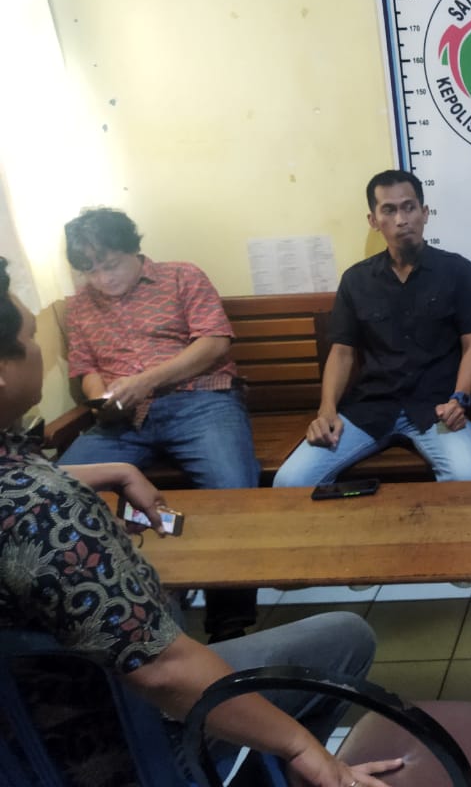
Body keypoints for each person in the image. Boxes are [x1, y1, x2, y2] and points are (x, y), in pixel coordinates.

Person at [0, 256, 402, 786]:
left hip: (18, 740)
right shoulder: (48, 510)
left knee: (225, 487)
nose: (39, 350)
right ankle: (270, 773)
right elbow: (162, 670)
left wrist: (113, 474)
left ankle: (228, 621)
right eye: (30, 338)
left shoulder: (35, 494)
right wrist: (305, 749)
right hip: (108, 739)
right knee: (347, 637)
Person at [57, 208, 260, 642]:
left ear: (133, 249)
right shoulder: (80, 305)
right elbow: (86, 369)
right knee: (61, 489)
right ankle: (162, 564)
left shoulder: (182, 276)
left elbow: (214, 343)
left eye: (111, 264)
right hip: (123, 420)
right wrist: (102, 400)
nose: (103, 279)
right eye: (90, 270)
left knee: (233, 492)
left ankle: (229, 621)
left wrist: (145, 381)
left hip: (199, 401)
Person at [273, 170, 471, 488]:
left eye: (409, 207)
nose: (401, 219)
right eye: (389, 210)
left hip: (437, 409)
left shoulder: (457, 270)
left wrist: (460, 398)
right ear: (373, 221)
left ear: (425, 213)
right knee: (290, 481)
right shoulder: (356, 280)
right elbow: (342, 352)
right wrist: (326, 411)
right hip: (370, 408)